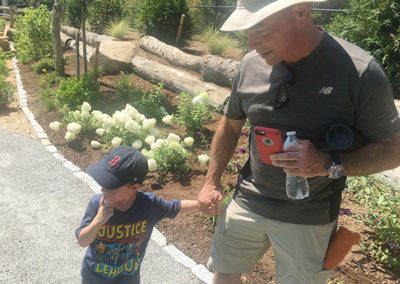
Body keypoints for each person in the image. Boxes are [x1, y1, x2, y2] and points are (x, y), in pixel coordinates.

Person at [198, 1, 400, 283]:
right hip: (247, 201)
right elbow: (229, 127)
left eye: (261, 29)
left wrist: (330, 165)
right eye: (248, 31)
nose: (251, 42)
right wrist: (211, 182)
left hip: (309, 217)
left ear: (302, 13)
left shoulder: (360, 72)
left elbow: (394, 149)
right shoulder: (249, 65)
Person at [76, 146, 203, 284]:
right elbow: (82, 241)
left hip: (128, 280)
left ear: (134, 187)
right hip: (94, 279)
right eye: (103, 181)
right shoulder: (97, 204)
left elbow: (174, 206)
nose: (102, 188)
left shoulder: (148, 205)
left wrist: (200, 205)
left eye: (110, 185)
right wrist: (98, 221)